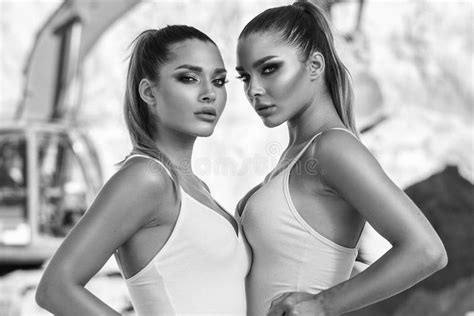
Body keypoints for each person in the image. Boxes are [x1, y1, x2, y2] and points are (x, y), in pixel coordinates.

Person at [235, 1, 447, 315]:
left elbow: (426, 251)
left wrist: (322, 304)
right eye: (244, 77)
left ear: (315, 65)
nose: (254, 89)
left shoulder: (332, 148)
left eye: (269, 69)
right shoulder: (299, 155)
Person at [36, 25, 249, 316]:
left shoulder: (193, 186)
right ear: (149, 92)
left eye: (219, 81)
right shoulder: (147, 178)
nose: (209, 93)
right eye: (189, 78)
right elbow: (55, 288)